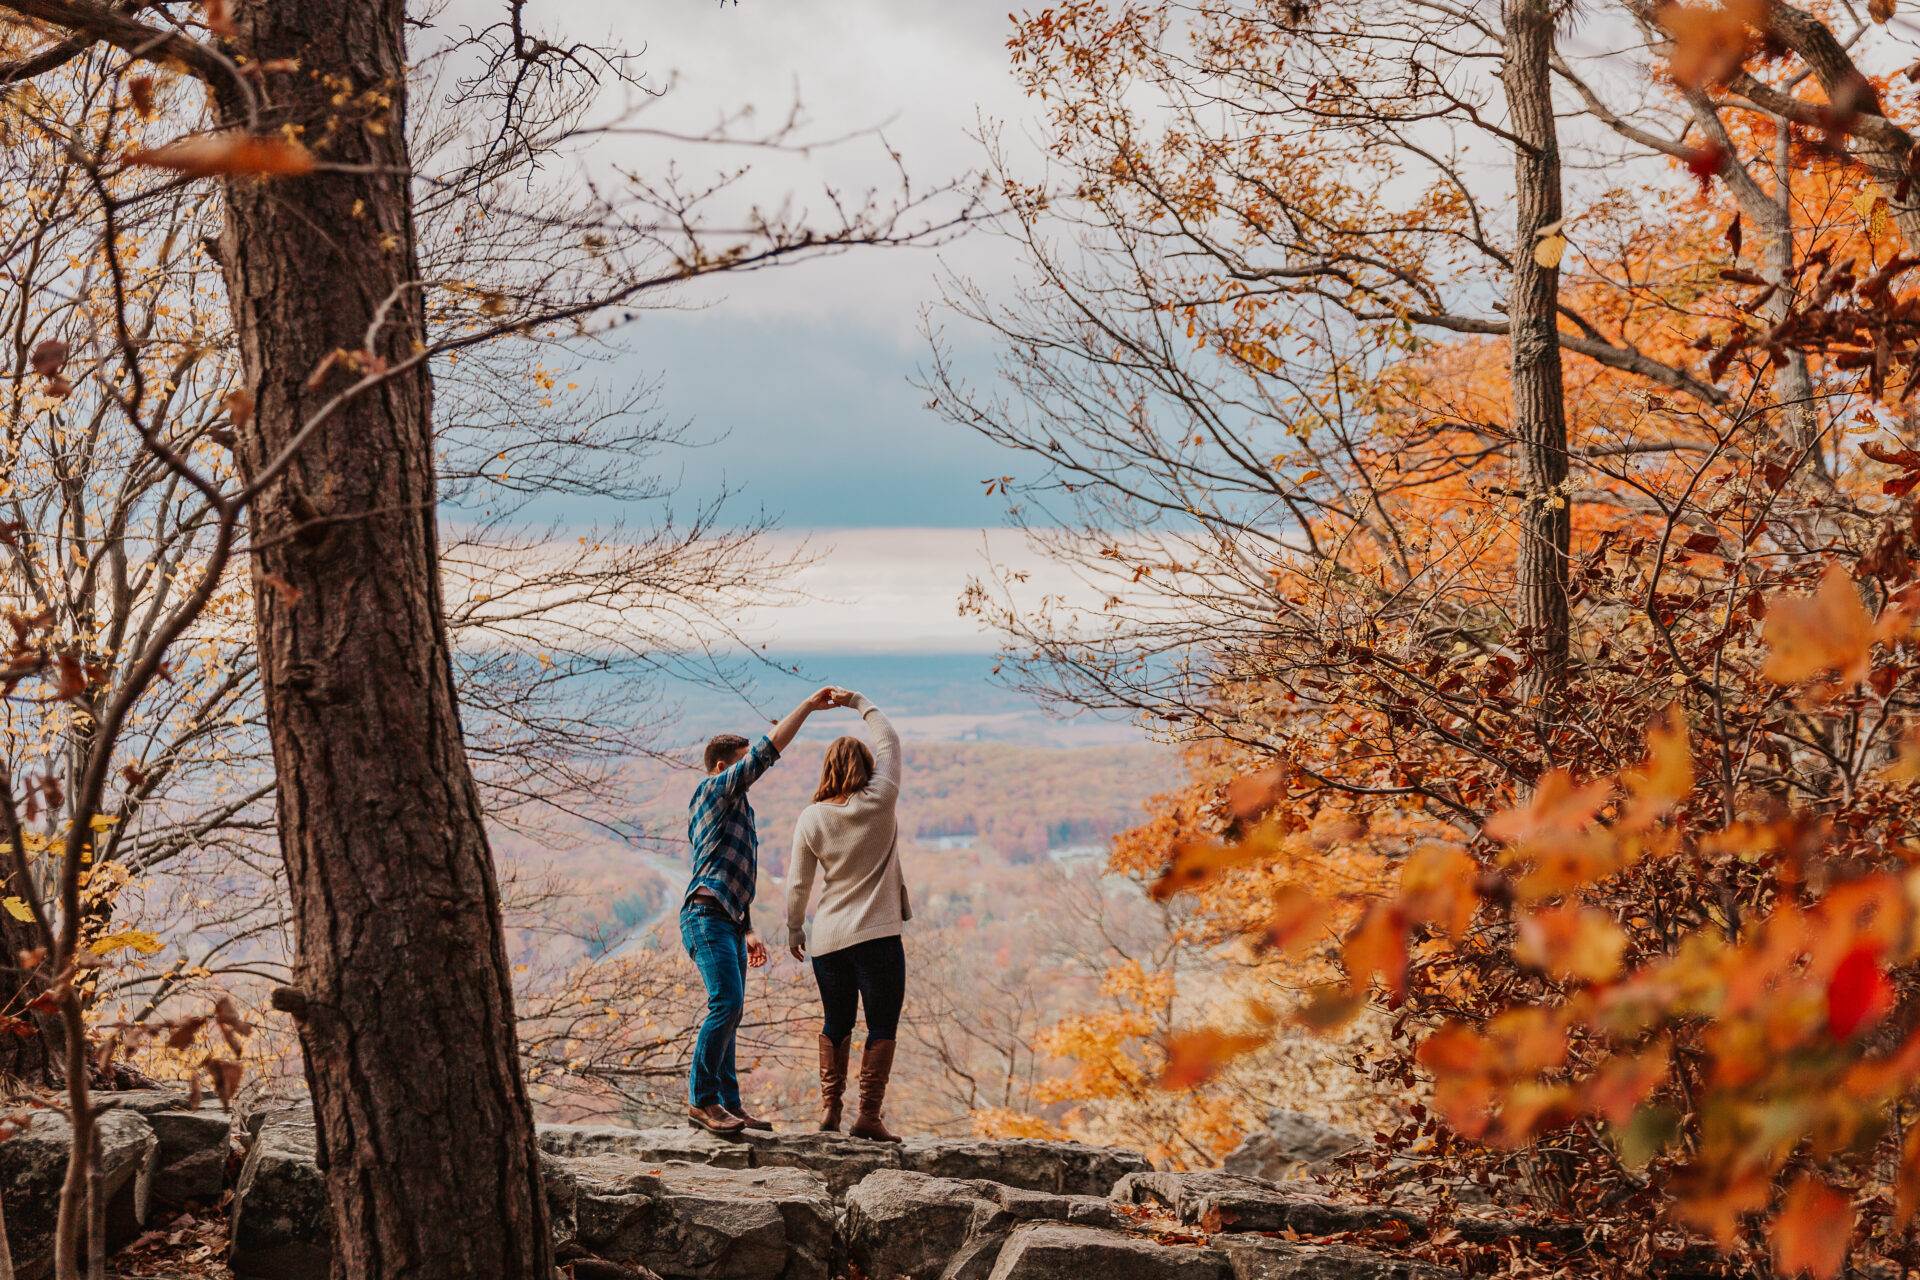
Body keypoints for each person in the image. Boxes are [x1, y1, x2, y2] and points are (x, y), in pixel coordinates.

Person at [682, 686, 839, 1134]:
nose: (750, 769)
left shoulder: (738, 811)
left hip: (726, 919)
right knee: (725, 1003)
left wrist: (747, 926)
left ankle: (729, 1105)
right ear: (722, 766)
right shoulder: (713, 790)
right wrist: (807, 705)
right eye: (742, 762)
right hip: (704, 916)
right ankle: (701, 1101)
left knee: (731, 1011)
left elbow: (731, 873)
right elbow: (768, 753)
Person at [784, 689, 908, 1141]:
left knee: (836, 1023)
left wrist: (795, 928)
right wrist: (858, 702)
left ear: (828, 770)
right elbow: (890, 742)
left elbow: (798, 884)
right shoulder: (880, 801)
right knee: (881, 1023)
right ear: (867, 769)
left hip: (828, 941)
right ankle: (868, 1116)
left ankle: (829, 1111)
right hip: (876, 937)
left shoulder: (811, 818)